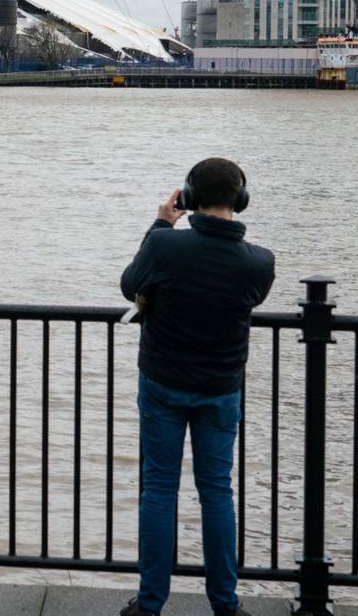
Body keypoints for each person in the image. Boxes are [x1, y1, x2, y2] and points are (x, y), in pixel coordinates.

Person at [117, 157, 275, 616]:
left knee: (159, 489)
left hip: (163, 383)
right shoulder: (259, 263)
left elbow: (131, 286)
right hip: (221, 389)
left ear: (188, 197)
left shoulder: (166, 247)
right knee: (217, 492)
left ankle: (149, 605)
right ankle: (225, 604)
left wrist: (159, 224)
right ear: (240, 201)